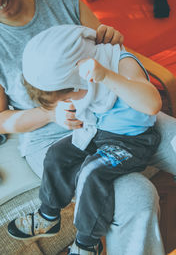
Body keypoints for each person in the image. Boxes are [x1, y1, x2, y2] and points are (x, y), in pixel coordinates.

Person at [0, 0, 176, 254]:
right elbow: (3, 120)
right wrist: (49, 112)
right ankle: (81, 242)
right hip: (53, 133)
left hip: (112, 111)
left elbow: (113, 56)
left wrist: (114, 40)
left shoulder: (67, 5)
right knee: (135, 197)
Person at [7, 24, 162, 254]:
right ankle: (48, 215)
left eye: (69, 95)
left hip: (133, 141)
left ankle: (86, 243)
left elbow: (152, 104)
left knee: (91, 172)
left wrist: (107, 76)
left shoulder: (119, 62)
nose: (70, 100)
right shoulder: (72, 74)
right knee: (56, 154)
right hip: (99, 131)